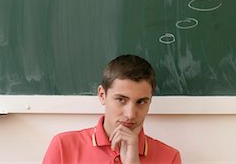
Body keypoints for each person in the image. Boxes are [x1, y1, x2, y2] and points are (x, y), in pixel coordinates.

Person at [43, 54, 181, 164]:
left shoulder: (169, 158)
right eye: (121, 100)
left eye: (141, 102)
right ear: (102, 95)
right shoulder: (63, 146)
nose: (131, 114)